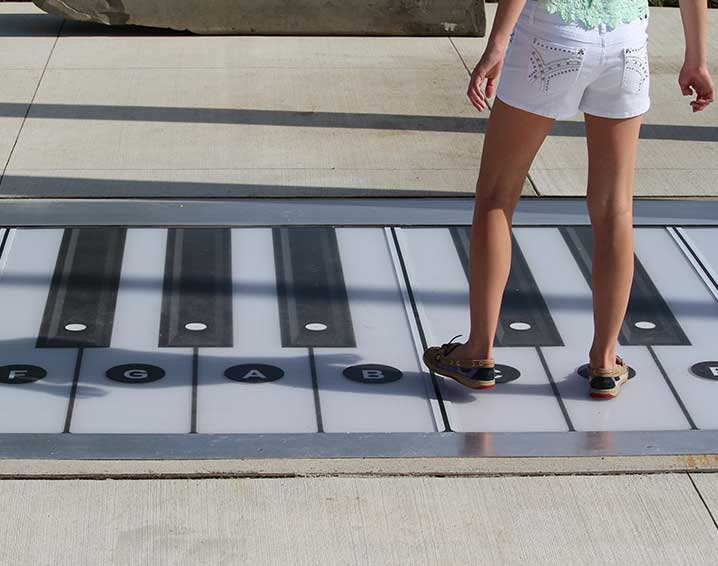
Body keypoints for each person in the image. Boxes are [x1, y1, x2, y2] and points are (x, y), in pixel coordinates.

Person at [423, 0, 714, 399]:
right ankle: (606, 362)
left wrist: (497, 44)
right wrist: (696, 57)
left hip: (553, 30)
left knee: (497, 195)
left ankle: (477, 353)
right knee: (615, 207)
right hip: (625, 39)